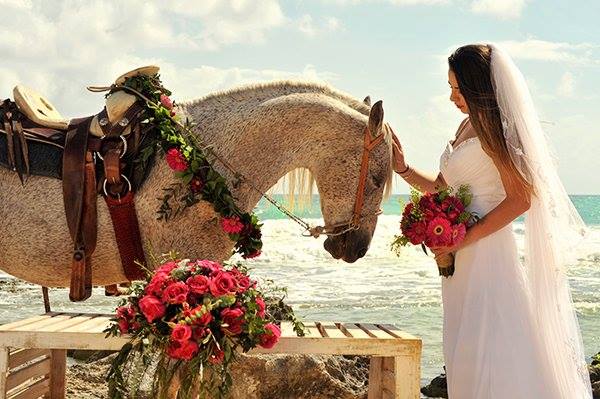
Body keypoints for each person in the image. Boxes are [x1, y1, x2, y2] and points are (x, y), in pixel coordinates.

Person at [391, 43, 592, 398]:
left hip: (486, 251)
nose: (452, 97)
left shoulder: (497, 129)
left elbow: (521, 198)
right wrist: (403, 167)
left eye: (458, 88)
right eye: (450, 88)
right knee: (465, 342)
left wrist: (462, 239)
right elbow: (441, 188)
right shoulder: (466, 124)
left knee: (492, 340)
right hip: (459, 256)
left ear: (478, 86)